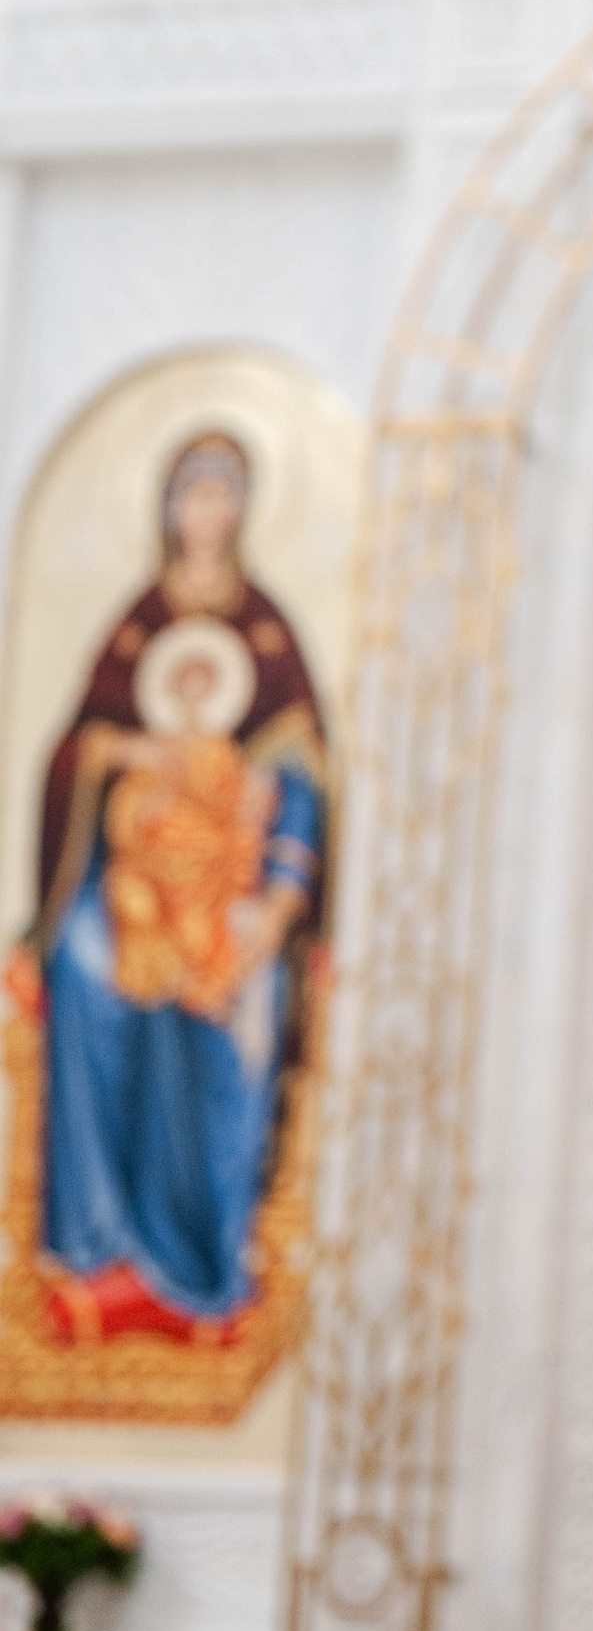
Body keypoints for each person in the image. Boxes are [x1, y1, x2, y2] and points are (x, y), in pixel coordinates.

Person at [29, 431, 327, 1345]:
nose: (206, 512)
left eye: (222, 494)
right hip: (129, 876)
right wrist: (132, 752)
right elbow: (77, 749)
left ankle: (204, 1251)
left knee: (241, 991)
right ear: (167, 505)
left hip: (228, 878)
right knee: (82, 971)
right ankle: (89, 1235)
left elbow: (302, 776)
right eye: (191, 494)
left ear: (242, 508)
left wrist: (272, 905)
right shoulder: (138, 623)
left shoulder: (268, 631)